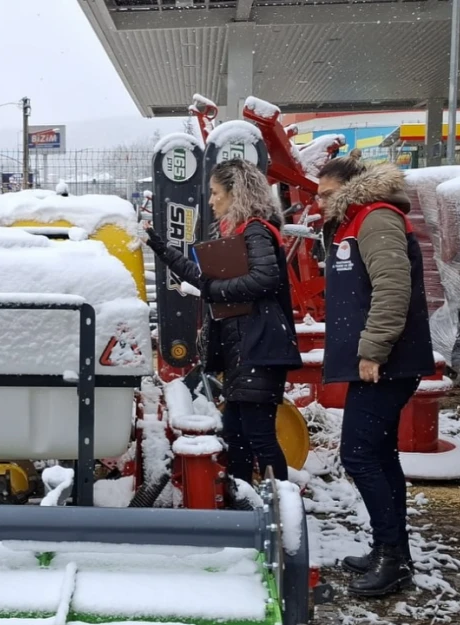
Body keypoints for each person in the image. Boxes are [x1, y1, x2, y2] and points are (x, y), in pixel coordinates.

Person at [317, 157, 435, 597]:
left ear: (352, 189)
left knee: (360, 454)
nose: (319, 201)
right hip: (379, 363)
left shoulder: (376, 218)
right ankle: (391, 550)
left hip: (387, 363)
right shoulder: (354, 222)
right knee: (380, 455)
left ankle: (393, 557)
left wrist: (373, 349)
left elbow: (392, 287)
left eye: (327, 193)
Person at [144, 159, 301, 484]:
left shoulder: (255, 230)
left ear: (236, 193)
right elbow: (204, 279)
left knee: (257, 436)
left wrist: (216, 290)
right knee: (238, 436)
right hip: (244, 349)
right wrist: (159, 246)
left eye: (216, 193)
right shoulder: (241, 235)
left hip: (257, 348)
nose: (212, 200)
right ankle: (242, 502)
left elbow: (265, 277)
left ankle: (280, 507)